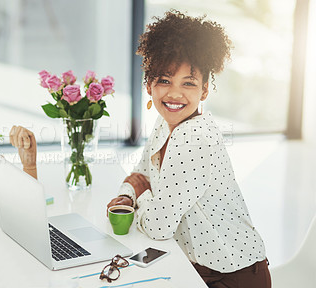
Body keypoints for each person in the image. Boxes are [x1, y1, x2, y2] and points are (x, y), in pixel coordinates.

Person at [106, 10, 271, 288]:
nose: (174, 94)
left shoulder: (195, 138)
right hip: (194, 267)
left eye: (189, 83)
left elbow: (159, 227)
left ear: (204, 90)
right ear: (149, 84)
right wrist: (126, 195)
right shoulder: (166, 123)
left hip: (233, 276)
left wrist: (139, 198)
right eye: (164, 80)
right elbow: (140, 173)